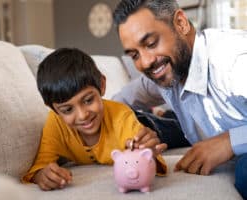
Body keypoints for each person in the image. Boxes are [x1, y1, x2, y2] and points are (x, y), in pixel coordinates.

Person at [112, 0, 247, 199]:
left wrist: (229, 142)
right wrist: (131, 136)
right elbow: (117, 103)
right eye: (134, 55)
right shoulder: (163, 74)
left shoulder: (233, 60)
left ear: (181, 23)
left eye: (151, 44)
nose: (146, 62)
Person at [21, 47, 167, 191]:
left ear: (102, 85)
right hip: (136, 116)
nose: (83, 115)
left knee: (170, 127)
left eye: (88, 100)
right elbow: (40, 166)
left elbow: (148, 155)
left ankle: (163, 115)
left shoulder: (121, 117)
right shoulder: (55, 124)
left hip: (148, 123)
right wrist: (42, 176)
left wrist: (149, 153)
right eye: (68, 109)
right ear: (53, 109)